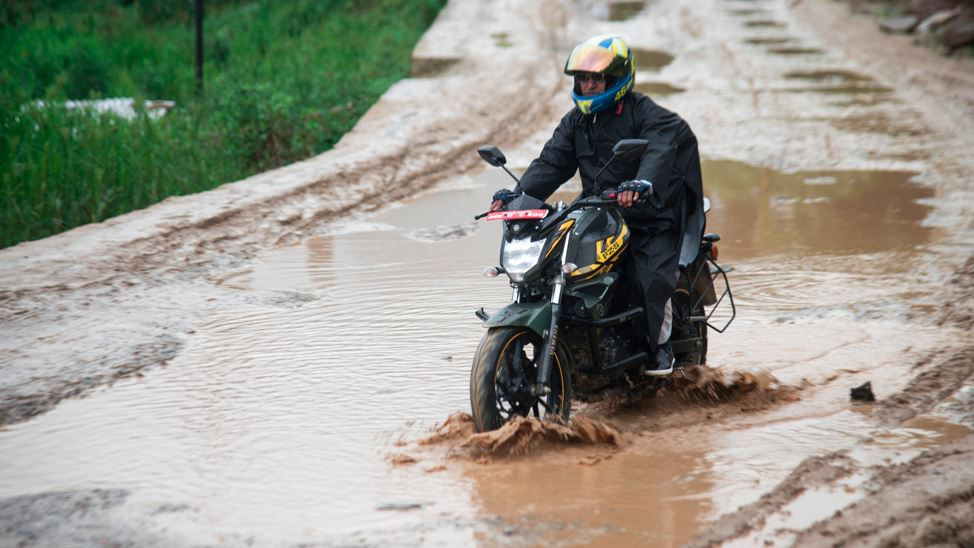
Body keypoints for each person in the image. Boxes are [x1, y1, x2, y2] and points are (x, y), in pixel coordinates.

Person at [488, 34, 704, 375]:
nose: (588, 85)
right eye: (583, 78)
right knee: (554, 263)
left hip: (653, 216)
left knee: (647, 279)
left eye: (596, 78)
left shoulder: (650, 115)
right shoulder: (576, 121)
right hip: (601, 210)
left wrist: (642, 184)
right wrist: (516, 196)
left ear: (617, 79)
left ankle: (659, 346)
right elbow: (551, 163)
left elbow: (660, 151)